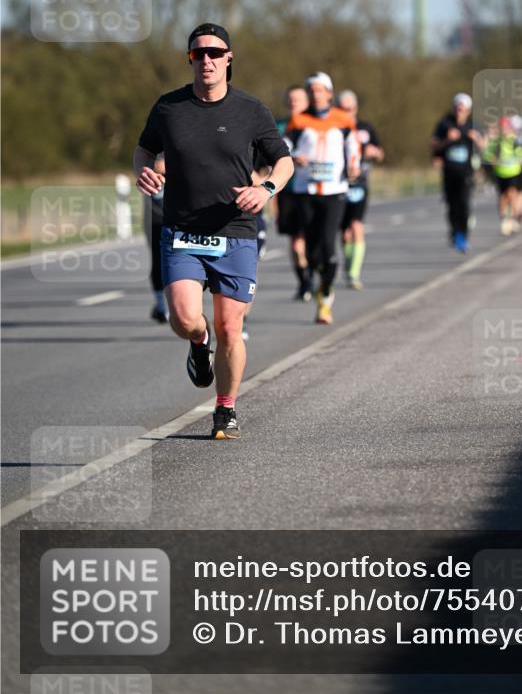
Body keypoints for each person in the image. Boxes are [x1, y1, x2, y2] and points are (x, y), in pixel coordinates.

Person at [134, 23, 293, 440]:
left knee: (230, 326)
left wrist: (267, 188)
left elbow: (284, 160)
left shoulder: (251, 110)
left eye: (214, 53)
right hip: (183, 230)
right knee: (186, 319)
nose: (205, 60)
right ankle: (196, 343)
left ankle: (225, 409)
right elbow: (144, 148)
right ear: (190, 60)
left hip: (235, 230)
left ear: (228, 58)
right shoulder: (169, 108)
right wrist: (143, 172)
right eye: (197, 54)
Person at [287, 72, 360, 324]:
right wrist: (295, 156)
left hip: (334, 191)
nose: (316, 95)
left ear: (329, 93)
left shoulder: (343, 120)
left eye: (320, 90)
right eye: (312, 91)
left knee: (329, 247)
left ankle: (326, 294)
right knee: (311, 249)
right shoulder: (298, 120)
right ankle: (320, 278)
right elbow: (283, 146)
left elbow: (353, 147)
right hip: (305, 191)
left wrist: (353, 165)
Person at [335, 90, 384, 290]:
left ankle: (354, 273)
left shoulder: (366, 128)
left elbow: (381, 153)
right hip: (338, 183)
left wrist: (375, 152)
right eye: (343, 109)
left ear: (356, 109)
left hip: (360, 184)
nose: (347, 112)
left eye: (350, 109)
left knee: (357, 226)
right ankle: (349, 265)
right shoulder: (334, 128)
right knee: (345, 232)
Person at [431, 93, 483, 252]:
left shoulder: (474, 125)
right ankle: (454, 232)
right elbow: (434, 145)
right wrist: (448, 140)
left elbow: (484, 147)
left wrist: (477, 139)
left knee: (465, 205)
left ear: (468, 110)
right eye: (457, 108)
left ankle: (463, 236)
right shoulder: (445, 124)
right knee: (452, 206)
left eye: (463, 108)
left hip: (466, 172)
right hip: (449, 172)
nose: (459, 111)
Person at [275, 85, 312, 300]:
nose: (293, 103)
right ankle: (304, 282)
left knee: (311, 241)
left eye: (297, 99)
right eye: (290, 99)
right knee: (296, 242)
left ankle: (315, 275)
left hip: (311, 190)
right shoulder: (279, 125)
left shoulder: (316, 124)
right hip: (287, 190)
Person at [482, 116, 522, 235]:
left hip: (514, 172)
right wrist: (493, 161)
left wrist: (520, 161)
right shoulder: (496, 142)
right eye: (502, 128)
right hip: (500, 173)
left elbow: (521, 155)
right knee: (503, 196)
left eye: (506, 127)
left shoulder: (514, 141)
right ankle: (504, 218)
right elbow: (487, 155)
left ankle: (514, 217)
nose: (504, 130)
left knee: (512, 193)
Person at [142, 154, 168, 323]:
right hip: (156, 219)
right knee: (158, 260)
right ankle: (162, 306)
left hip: (182, 219)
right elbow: (155, 165)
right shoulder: (156, 136)